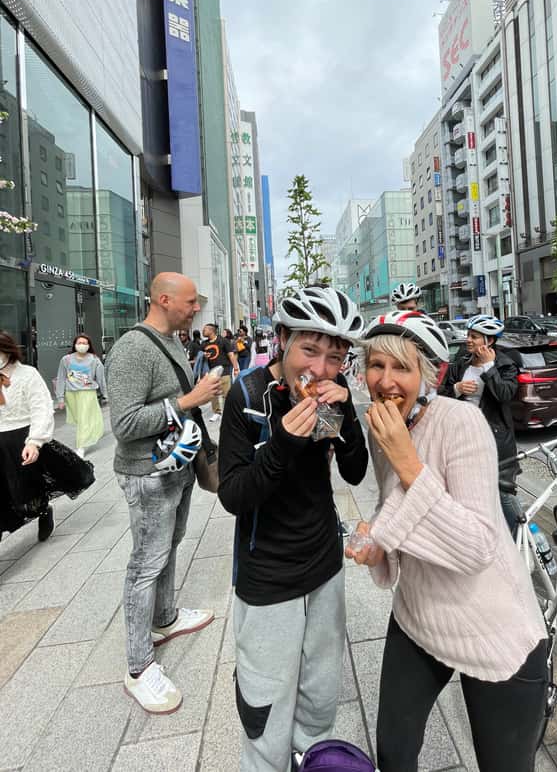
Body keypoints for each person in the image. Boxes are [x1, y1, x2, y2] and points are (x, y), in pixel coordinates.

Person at [347, 310, 547, 772]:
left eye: (402, 367)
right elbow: (395, 504)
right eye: (376, 364)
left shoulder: (462, 423)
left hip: (493, 627)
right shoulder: (384, 426)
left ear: (430, 375)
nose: (386, 380)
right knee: (394, 753)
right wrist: (377, 540)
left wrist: (407, 461)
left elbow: (477, 545)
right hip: (418, 613)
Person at [218, 286, 368, 769]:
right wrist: (282, 443)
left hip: (325, 566)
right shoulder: (248, 397)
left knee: (320, 696)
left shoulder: (324, 400)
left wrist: (345, 413)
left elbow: (354, 472)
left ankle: (312, 758)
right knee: (265, 708)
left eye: (335, 358)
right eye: (309, 350)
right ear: (282, 339)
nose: (320, 369)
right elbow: (234, 495)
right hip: (268, 575)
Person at [106, 273, 223, 715]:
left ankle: (165, 617)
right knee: (145, 565)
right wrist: (190, 399)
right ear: (164, 299)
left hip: (178, 465)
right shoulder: (132, 349)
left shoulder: (172, 340)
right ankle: (139, 668)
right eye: (190, 302)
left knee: (170, 546)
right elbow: (125, 424)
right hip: (148, 474)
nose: (196, 309)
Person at [438, 314, 521, 535]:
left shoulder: (505, 364)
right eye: (468, 335)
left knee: (503, 493)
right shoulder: (461, 362)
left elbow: (505, 394)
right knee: (467, 491)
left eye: (474, 336)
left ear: (489, 340)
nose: (468, 340)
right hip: (462, 438)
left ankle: (519, 538)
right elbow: (441, 394)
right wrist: (457, 389)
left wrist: (488, 367)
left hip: (494, 440)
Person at [0, 331, 56, 543]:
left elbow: (42, 408)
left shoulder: (27, 374)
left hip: (22, 438)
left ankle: (43, 510)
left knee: (27, 489)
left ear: (6, 351)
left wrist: (35, 441)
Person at [55, 333, 107, 458]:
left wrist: (105, 393)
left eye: (85, 343)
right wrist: (60, 398)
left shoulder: (94, 360)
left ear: (89, 345)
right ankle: (89, 434)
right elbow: (61, 378)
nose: (82, 345)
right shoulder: (66, 359)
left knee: (84, 419)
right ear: (75, 345)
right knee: (79, 420)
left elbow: (101, 378)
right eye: (79, 343)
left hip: (87, 393)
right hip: (71, 394)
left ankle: (81, 447)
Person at [201, 323, 239, 422]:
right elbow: (200, 358)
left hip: (224, 370)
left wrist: (236, 369)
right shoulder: (204, 344)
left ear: (211, 331)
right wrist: (204, 355)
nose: (203, 331)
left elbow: (231, 355)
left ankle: (228, 412)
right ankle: (217, 412)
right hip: (211, 372)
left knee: (226, 393)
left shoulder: (223, 341)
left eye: (205, 329)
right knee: (213, 393)